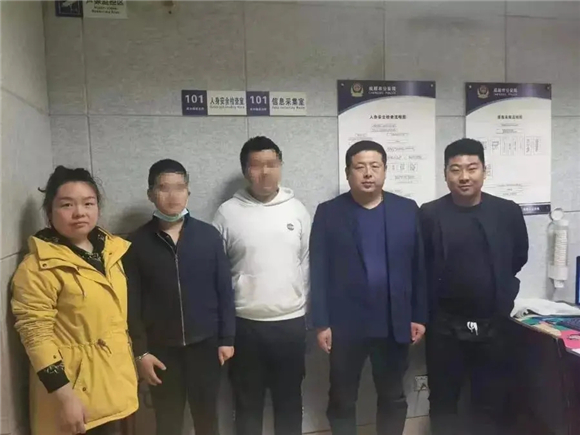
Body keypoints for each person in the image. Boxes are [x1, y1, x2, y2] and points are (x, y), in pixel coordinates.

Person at [310, 141, 427, 435]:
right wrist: (321, 322)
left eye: (375, 166)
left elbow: (419, 267)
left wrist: (419, 315)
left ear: (385, 170)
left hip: (393, 321)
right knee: (342, 398)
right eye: (360, 167)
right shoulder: (329, 212)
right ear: (348, 172)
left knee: (393, 396)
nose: (368, 173)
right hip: (345, 324)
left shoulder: (406, 209)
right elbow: (319, 270)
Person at [11, 166, 138, 435]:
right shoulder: (37, 267)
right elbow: (36, 337)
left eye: (88, 203)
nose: (79, 212)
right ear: (49, 212)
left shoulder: (111, 252)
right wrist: (66, 398)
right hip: (73, 398)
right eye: (67, 205)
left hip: (115, 389)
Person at [419, 138, 529, 435]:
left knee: (490, 400)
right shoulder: (429, 214)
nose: (464, 176)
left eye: (472, 168)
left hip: (493, 324)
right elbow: (422, 265)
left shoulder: (506, 212)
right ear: (445, 174)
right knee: (443, 400)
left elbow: (518, 257)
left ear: (484, 171)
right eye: (455, 169)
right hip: (444, 327)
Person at [124, 159, 235, 435]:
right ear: (151, 194)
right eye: (164, 188)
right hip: (161, 350)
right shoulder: (135, 243)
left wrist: (227, 339)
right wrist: (141, 351)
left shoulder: (208, 236)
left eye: (180, 187)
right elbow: (131, 302)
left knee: (207, 420)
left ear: (188, 191)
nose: (173, 195)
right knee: (168, 422)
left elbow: (224, 290)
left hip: (206, 346)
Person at [213, 136, 310, 435]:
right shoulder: (227, 213)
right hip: (245, 326)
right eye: (256, 165)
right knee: (246, 405)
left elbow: (306, 264)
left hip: (290, 323)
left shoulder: (297, 210)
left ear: (280, 166)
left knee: (289, 402)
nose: (265, 172)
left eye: (271, 164)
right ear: (246, 171)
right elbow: (218, 273)